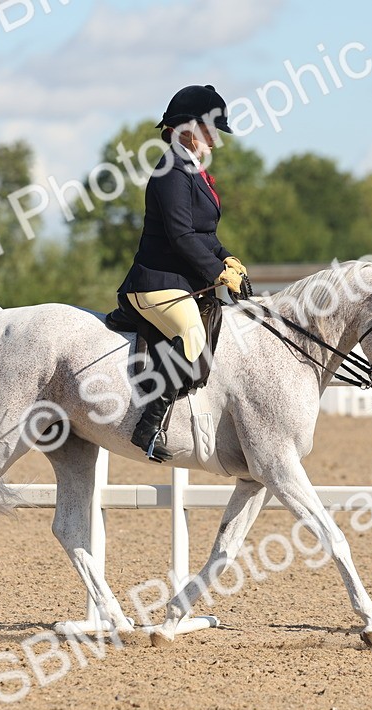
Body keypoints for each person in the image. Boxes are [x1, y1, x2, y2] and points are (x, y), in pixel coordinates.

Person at [117, 84, 246, 462]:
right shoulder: (171, 169)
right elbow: (180, 235)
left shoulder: (192, 169)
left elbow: (206, 234)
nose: (214, 139)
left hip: (182, 282)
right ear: (187, 128)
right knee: (191, 333)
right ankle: (148, 427)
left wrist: (228, 259)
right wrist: (216, 273)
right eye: (209, 130)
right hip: (155, 282)